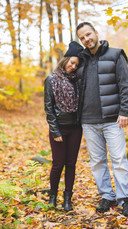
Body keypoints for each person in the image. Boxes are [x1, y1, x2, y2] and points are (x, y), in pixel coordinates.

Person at [76, 22, 128, 217]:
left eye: (88, 34)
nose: (86, 39)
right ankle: (107, 197)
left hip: (113, 120)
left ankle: (125, 199)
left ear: (96, 32)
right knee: (97, 162)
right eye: (82, 38)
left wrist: (125, 111)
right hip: (88, 121)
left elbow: (124, 85)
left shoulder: (116, 55)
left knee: (119, 159)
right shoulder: (81, 61)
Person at [44, 41, 84, 212]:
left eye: (77, 64)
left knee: (71, 164)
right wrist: (55, 130)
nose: (73, 66)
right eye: (71, 62)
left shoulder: (78, 81)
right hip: (59, 128)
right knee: (57, 163)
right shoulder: (51, 79)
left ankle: (67, 198)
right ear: (65, 60)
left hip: (75, 128)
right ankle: (52, 196)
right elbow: (48, 106)